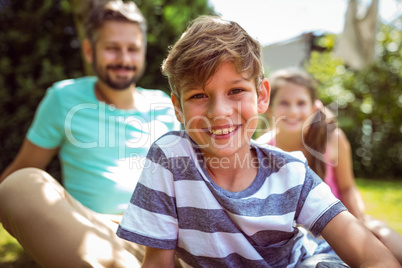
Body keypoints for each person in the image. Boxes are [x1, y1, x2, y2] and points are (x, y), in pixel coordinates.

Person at [116, 15, 400, 267]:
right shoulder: (169, 158)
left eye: (236, 90)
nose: (219, 112)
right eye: (198, 96)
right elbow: (157, 262)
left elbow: (372, 256)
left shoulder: (291, 172)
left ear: (262, 96)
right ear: (178, 107)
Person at [0, 1, 180, 267]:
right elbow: (20, 169)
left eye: (132, 49)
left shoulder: (164, 104)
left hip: (168, 237)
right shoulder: (63, 98)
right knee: (18, 186)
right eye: (112, 48)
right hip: (95, 231)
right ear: (88, 50)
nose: (123, 59)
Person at [256, 68, 402, 264]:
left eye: (301, 103)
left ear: (313, 108)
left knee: (388, 243)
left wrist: (359, 221)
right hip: (299, 238)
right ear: (269, 107)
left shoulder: (332, 140)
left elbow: (347, 187)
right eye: (284, 103)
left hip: (342, 224)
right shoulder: (263, 149)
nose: (292, 111)